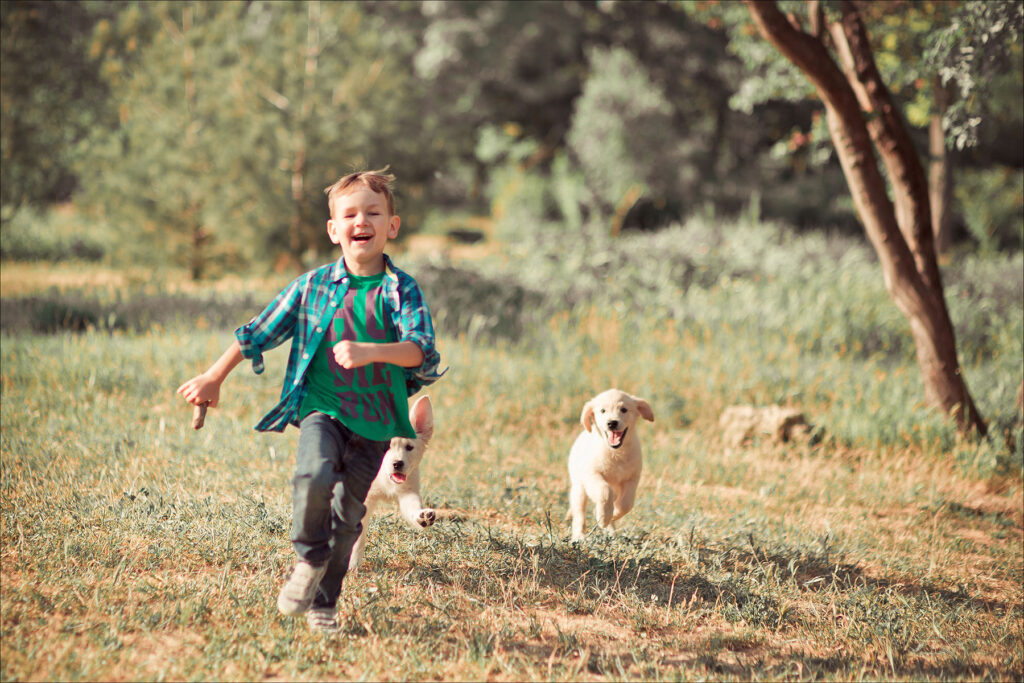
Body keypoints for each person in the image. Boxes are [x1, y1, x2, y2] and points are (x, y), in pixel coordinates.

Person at [177, 168, 443, 632]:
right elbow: (261, 330)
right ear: (334, 229)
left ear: (392, 226)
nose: (362, 220)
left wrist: (370, 352)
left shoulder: (401, 290)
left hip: (378, 425)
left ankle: (325, 602)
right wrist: (215, 376)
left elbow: (420, 349)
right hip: (323, 409)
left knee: (347, 519)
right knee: (313, 474)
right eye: (350, 213)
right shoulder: (312, 286)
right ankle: (307, 558)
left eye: (373, 212)